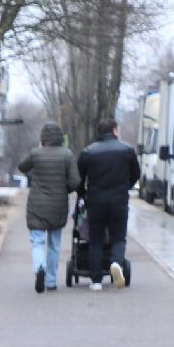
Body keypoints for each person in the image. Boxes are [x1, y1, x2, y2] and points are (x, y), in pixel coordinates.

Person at [76, 117, 140, 291]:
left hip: (96, 200)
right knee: (118, 237)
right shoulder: (127, 150)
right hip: (119, 200)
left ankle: (96, 280)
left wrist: (83, 194)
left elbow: (79, 178)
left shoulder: (88, 152)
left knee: (95, 239)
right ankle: (116, 263)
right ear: (114, 130)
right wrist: (124, 186)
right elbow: (135, 174)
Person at [17, 122, 80, 293]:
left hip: (36, 205)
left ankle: (39, 267)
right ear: (60, 137)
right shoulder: (67, 155)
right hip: (58, 205)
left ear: (43, 137)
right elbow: (75, 181)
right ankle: (51, 281)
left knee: (37, 241)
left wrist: (34, 173)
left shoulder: (36, 154)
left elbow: (22, 166)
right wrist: (64, 189)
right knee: (54, 244)